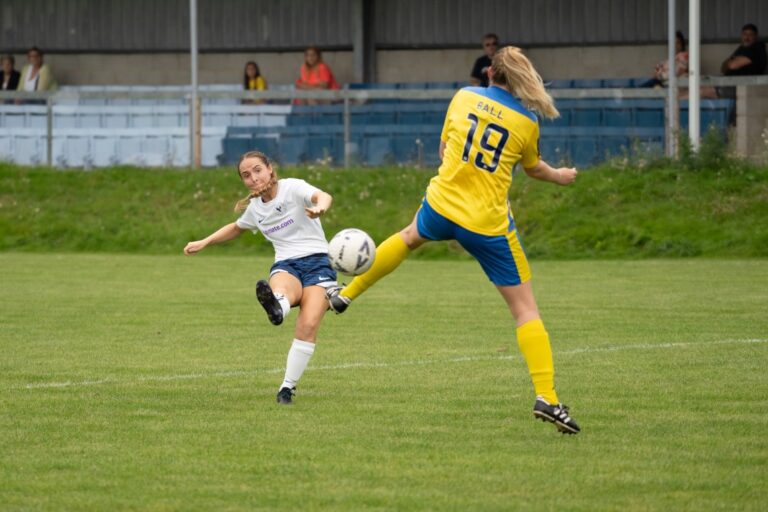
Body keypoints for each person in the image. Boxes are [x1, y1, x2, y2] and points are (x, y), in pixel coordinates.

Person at [327, 46, 581, 434]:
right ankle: (546, 396)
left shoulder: (463, 96)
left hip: (443, 203)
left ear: (488, 73)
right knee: (525, 311)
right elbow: (533, 170)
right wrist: (560, 176)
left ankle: (346, 294)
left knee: (409, 236)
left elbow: (445, 149)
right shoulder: (527, 121)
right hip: (487, 223)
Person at [183, 151, 336, 405]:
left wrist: (320, 207)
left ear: (269, 169)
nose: (253, 178)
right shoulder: (255, 209)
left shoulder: (292, 188)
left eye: (257, 170)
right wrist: (205, 241)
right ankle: (277, 307)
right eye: (246, 175)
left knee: (307, 326)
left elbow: (323, 195)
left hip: (319, 261)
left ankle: (287, 388)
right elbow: (236, 227)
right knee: (283, 290)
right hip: (287, 264)